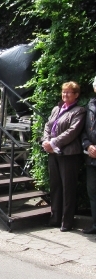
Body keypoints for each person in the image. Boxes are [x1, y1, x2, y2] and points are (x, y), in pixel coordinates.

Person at [42, 81, 86, 232]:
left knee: (68, 188)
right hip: (53, 153)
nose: (65, 94)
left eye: (68, 92)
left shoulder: (79, 111)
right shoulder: (56, 108)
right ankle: (55, 218)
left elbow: (72, 132)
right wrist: (46, 141)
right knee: (55, 186)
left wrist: (53, 142)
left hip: (68, 154)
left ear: (76, 95)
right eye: (63, 91)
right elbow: (48, 125)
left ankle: (67, 222)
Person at [81, 76, 96, 235]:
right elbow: (85, 131)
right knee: (93, 192)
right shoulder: (90, 105)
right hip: (91, 158)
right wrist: (88, 145)